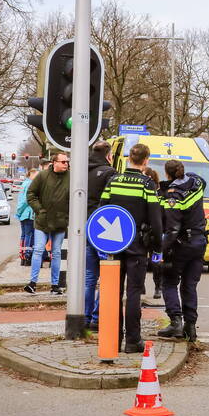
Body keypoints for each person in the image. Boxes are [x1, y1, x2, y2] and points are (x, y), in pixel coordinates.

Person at [99, 143, 162, 353]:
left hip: (114, 245)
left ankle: (112, 338)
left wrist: (102, 242)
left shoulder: (113, 181)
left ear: (128, 159)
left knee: (114, 292)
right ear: (145, 161)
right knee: (133, 292)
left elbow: (102, 210)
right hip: (137, 246)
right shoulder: (147, 184)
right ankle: (132, 341)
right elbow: (155, 219)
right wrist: (157, 248)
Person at [157, 159, 207, 342]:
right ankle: (190, 326)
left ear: (167, 173)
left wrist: (161, 250)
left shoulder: (173, 195)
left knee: (169, 282)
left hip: (182, 244)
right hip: (200, 242)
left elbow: (172, 229)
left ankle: (175, 322)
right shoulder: (196, 183)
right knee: (189, 285)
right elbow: (200, 179)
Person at [24, 153, 70, 295]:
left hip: (60, 221)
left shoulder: (71, 177)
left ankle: (55, 285)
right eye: (63, 162)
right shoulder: (43, 176)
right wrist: (40, 210)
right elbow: (31, 194)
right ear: (54, 163)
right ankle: (32, 283)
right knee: (38, 250)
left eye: (67, 162)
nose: (66, 164)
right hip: (43, 220)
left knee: (56, 253)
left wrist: (69, 214)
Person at [84, 141, 116, 330]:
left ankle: (85, 318)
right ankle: (97, 318)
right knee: (106, 274)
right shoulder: (109, 172)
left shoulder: (80, 170)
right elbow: (112, 200)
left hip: (84, 225)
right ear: (108, 155)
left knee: (89, 277)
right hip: (102, 228)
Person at [143, 166, 164, 300]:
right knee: (142, 260)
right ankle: (141, 285)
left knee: (156, 261)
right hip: (144, 231)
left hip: (157, 232)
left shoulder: (161, 193)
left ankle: (158, 287)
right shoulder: (142, 191)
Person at [16, 168, 39, 265]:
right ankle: (28, 256)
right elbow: (26, 200)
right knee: (30, 235)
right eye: (36, 175)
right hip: (29, 214)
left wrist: (19, 212)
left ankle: (22, 255)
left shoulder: (24, 183)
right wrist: (20, 210)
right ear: (31, 174)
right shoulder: (30, 184)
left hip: (23, 214)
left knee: (24, 235)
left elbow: (20, 199)